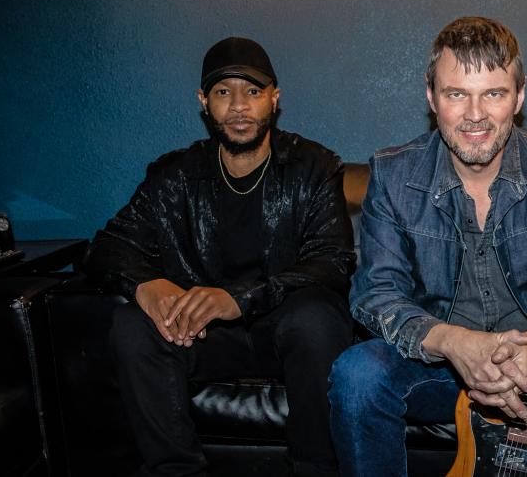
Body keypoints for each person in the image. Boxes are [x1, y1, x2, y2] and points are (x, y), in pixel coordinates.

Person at [328, 16, 527, 476]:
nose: (475, 115)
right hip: (438, 366)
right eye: (456, 94)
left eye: (494, 94)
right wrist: (455, 343)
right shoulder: (394, 174)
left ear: (519, 97)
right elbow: (375, 294)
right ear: (431, 98)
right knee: (356, 375)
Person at [87, 37, 356, 477]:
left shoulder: (314, 166)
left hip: (285, 332)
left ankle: (314, 468)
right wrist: (146, 285)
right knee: (131, 324)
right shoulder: (174, 176)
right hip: (204, 337)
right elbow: (108, 247)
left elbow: (332, 261)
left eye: (252, 91)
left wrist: (240, 299)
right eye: (223, 92)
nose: (238, 106)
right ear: (203, 102)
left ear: (275, 97)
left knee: (316, 317)